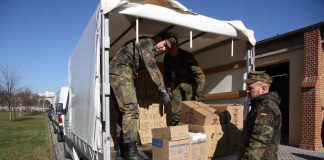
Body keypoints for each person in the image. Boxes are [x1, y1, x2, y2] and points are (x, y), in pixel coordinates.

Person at [110, 35, 176, 160]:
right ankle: (131, 153)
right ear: (158, 39)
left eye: (166, 48)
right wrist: (162, 89)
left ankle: (122, 149)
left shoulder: (145, 45)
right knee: (131, 110)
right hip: (121, 71)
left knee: (122, 112)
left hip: (119, 72)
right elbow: (152, 68)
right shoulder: (147, 43)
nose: (163, 49)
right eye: (164, 44)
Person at [162, 33, 205, 126]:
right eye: (168, 48)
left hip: (191, 83)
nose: (170, 51)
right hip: (179, 82)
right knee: (175, 99)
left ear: (178, 46)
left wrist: (199, 93)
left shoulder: (187, 56)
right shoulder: (167, 57)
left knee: (188, 106)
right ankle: (175, 124)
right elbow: (167, 75)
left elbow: (199, 75)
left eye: (172, 48)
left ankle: (188, 125)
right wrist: (168, 89)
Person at [239, 71, 282, 160]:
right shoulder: (258, 105)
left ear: (263, 88)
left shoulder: (266, 108)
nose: (247, 91)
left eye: (250, 88)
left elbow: (258, 143)